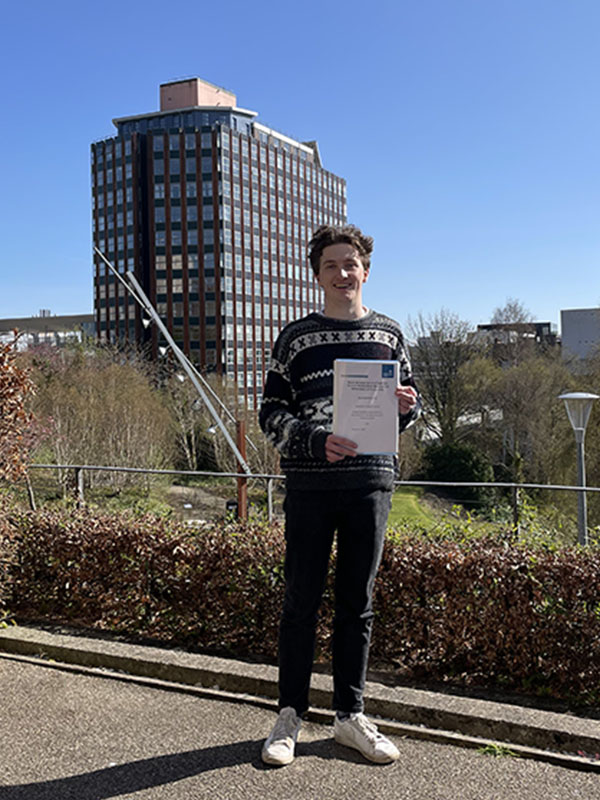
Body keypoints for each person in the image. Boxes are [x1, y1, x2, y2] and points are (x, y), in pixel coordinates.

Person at [258, 224, 420, 766]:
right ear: (317, 274)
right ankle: (289, 716)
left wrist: (406, 406)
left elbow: (408, 410)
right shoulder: (295, 339)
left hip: (371, 483)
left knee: (359, 604)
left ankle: (351, 716)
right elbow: (270, 414)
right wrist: (314, 439)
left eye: (350, 263)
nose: (342, 273)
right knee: (299, 602)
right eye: (331, 265)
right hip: (309, 484)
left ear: (365, 270)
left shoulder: (391, 334)